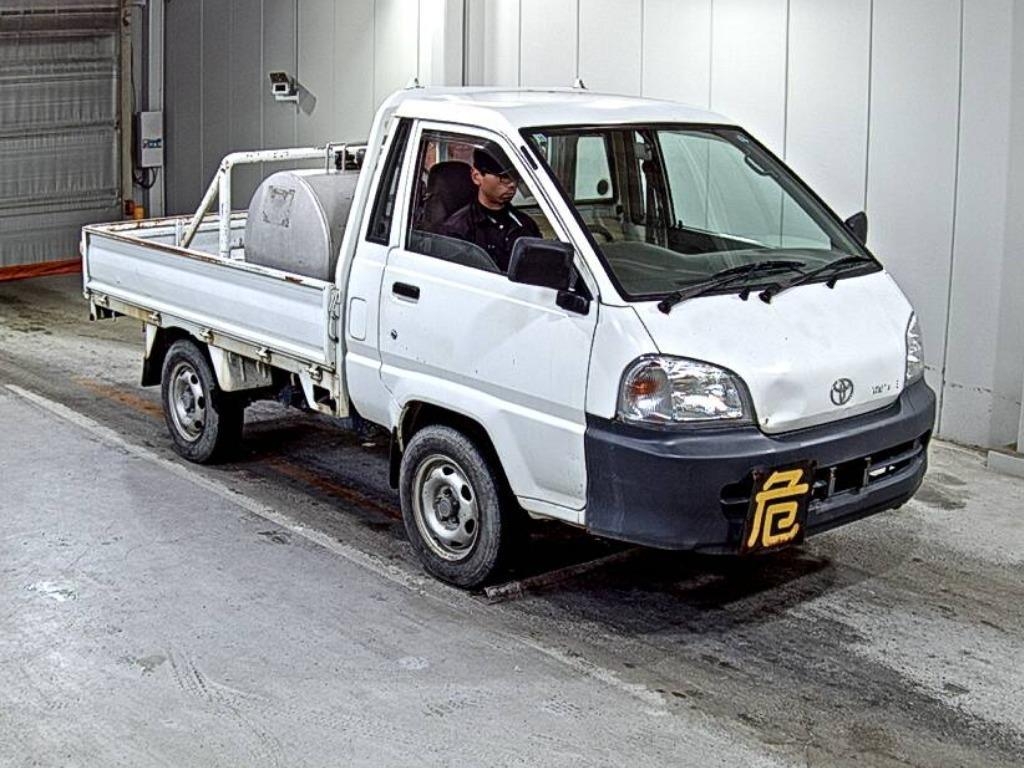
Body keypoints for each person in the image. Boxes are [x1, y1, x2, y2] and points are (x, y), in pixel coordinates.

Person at [438, 148, 541, 272]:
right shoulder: (457, 230)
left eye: (515, 177)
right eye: (504, 177)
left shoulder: (525, 224)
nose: (512, 184)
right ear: (477, 176)